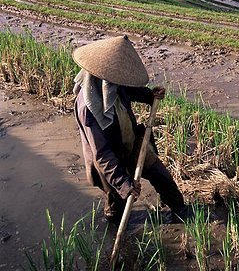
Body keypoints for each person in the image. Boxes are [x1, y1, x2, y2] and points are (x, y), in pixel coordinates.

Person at [72, 35, 186, 224]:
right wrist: (124, 184)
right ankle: (112, 218)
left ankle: (181, 211)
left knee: (161, 175)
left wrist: (151, 95)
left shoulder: (112, 85)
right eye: (116, 80)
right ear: (103, 77)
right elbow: (102, 154)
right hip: (108, 162)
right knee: (117, 201)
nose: (118, 82)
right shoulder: (88, 107)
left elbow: (128, 90)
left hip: (131, 144)